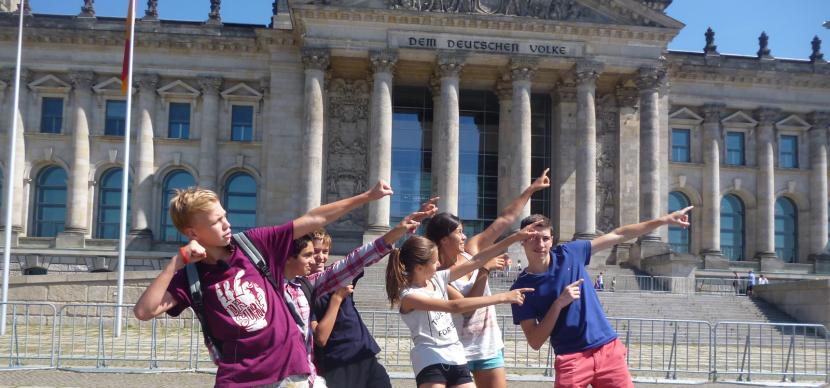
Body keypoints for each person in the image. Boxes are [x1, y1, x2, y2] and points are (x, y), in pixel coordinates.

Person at [132, 181, 392, 387]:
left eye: (224, 216)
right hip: (240, 380)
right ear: (192, 233)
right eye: (216, 221)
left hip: (290, 375)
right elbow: (144, 311)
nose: (227, 224)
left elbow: (314, 219)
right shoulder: (190, 276)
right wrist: (175, 262)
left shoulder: (253, 245)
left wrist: (366, 197)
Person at [510, 205, 692, 388]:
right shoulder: (520, 288)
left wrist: (664, 220)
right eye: (532, 238)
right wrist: (558, 305)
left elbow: (619, 234)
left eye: (545, 238)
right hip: (571, 358)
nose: (540, 244)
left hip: (607, 350)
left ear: (552, 240)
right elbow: (534, 341)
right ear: (522, 241)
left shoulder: (570, 254)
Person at [424, 168, 551, 388]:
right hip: (455, 349)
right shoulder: (435, 274)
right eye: (459, 232)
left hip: (487, 345)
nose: (464, 236)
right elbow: (466, 308)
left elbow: (504, 219)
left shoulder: (471, 250)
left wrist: (531, 189)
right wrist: (484, 271)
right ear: (444, 240)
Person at [282, 208, 431, 387]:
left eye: (325, 251)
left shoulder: (332, 276)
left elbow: (359, 259)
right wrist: (337, 298)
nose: (320, 258)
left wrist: (398, 232)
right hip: (337, 362)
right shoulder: (304, 289)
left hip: (364, 352)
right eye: (313, 253)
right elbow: (320, 337)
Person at [385, 226, 540, 388]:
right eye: (434, 261)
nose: (439, 264)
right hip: (430, 359)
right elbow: (455, 306)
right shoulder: (409, 296)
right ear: (419, 268)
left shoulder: (437, 278)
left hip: (455, 356)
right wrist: (502, 297)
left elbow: (476, 261)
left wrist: (515, 237)